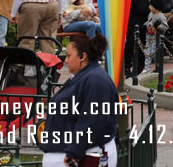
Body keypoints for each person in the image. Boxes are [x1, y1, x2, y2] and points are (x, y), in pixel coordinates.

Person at [38, 34, 120, 167]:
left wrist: (74, 152)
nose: (66, 60)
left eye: (69, 56)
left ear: (83, 57)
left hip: (84, 156)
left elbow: (93, 120)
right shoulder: (84, 76)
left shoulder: (95, 80)